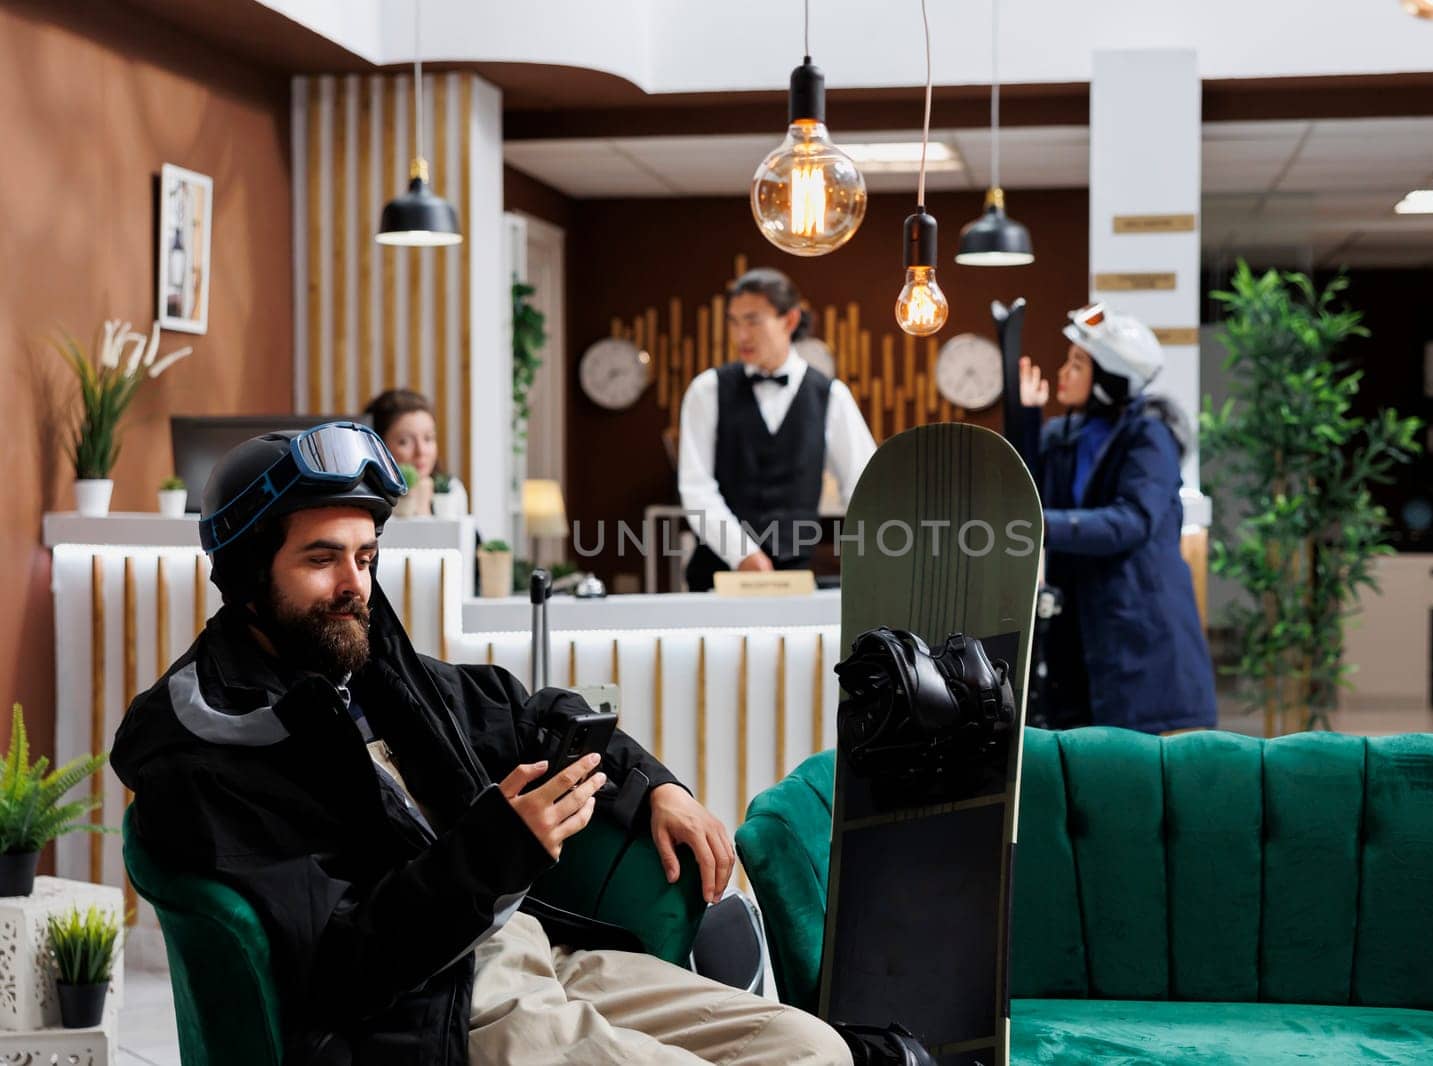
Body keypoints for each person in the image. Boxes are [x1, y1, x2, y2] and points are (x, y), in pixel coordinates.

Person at [110, 422, 848, 1065]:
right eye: (320, 559)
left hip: (541, 953)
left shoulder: (377, 676)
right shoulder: (210, 751)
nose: (353, 584)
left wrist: (657, 786)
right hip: (432, 1010)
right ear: (244, 578)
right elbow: (341, 968)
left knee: (817, 1049)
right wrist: (498, 845)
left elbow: (531, 716)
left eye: (365, 558)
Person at [1013, 304, 1217, 734]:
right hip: (1081, 638)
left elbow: (1132, 520)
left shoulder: (1149, 437)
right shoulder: (1066, 435)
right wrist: (1025, 420)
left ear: (1108, 378)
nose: (1063, 373)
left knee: (1143, 782)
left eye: (1077, 364)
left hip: (1141, 633)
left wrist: (1043, 525)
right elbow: (1026, 496)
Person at [677, 268, 876, 591]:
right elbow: (696, 487)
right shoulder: (707, 390)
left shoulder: (831, 396)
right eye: (734, 321)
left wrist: (872, 560)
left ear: (790, 320)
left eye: (753, 320)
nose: (741, 335)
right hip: (716, 577)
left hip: (794, 579)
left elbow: (865, 487)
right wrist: (741, 553)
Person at [364, 388, 468, 515]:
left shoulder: (452, 490)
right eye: (404, 442)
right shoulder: (366, 498)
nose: (421, 451)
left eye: (428, 438)